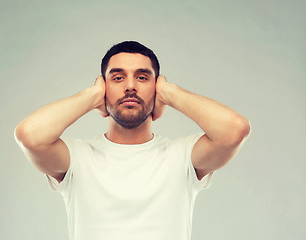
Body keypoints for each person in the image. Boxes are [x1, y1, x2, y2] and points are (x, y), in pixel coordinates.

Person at [14, 41, 251, 240]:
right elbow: (30, 136)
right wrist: (92, 96)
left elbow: (234, 130)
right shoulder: (78, 158)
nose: (130, 86)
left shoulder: (182, 156)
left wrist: (170, 93)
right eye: (117, 78)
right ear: (104, 86)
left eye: (142, 77)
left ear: (156, 87)